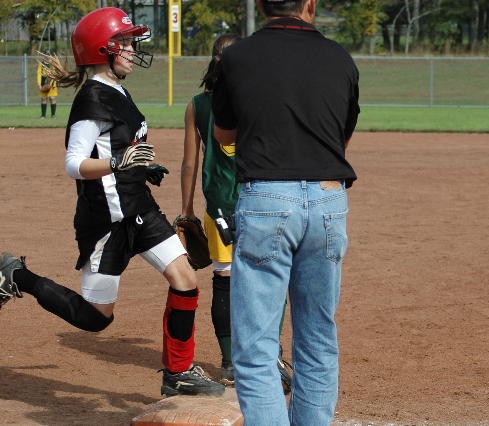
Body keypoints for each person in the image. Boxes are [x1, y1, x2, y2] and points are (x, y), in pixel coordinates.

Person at [0, 7, 224, 397]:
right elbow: (74, 164)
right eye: (124, 43)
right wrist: (119, 163)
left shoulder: (117, 89)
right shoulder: (92, 99)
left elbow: (119, 146)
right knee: (95, 318)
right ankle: (18, 276)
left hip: (139, 207)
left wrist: (141, 168)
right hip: (108, 218)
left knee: (185, 280)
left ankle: (178, 372)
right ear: (101, 50)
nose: (132, 49)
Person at [211, 0, 359, 423]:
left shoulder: (237, 56)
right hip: (329, 199)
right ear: (310, 4)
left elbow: (223, 134)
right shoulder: (340, 57)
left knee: (256, 346)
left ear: (261, 5)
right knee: (318, 337)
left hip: (267, 198)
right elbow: (341, 137)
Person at [180, 34, 291, 388]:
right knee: (271, 277)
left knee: (224, 278)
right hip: (260, 200)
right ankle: (269, 357)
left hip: (218, 206)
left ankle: (229, 363)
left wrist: (186, 209)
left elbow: (189, 163)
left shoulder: (197, 105)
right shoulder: (259, 99)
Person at [37, 51, 57, 119]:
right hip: (43, 85)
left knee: (52, 98)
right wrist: (39, 85)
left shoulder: (53, 64)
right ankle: (43, 115)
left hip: (52, 85)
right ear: (44, 56)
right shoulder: (41, 64)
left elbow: (55, 75)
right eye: (45, 55)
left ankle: (53, 115)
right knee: (43, 98)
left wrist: (54, 84)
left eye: (48, 55)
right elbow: (39, 74)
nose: (47, 57)